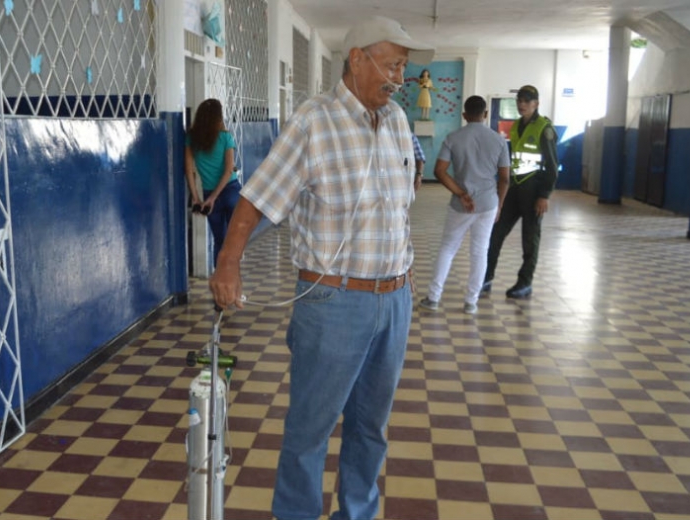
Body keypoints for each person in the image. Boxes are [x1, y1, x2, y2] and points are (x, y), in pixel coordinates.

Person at [208, 15, 433, 520]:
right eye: (393, 65)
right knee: (310, 429)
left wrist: (405, 274)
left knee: (370, 428)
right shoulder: (313, 122)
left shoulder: (396, 122)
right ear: (358, 58)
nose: (399, 78)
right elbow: (257, 200)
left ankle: (358, 512)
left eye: (403, 67)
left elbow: (395, 208)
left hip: (393, 301)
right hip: (333, 303)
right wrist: (229, 263)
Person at [418, 95, 510, 314]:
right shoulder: (498, 140)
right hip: (488, 203)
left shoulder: (453, 137)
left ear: (464, 115)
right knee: (480, 251)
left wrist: (461, 193)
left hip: (461, 204)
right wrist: (499, 205)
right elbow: (505, 178)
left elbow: (439, 171)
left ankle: (433, 297)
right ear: (485, 114)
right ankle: (471, 302)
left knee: (448, 248)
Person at [482, 85, 558, 299]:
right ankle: (485, 279)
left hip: (534, 190)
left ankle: (525, 283)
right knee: (496, 233)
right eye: (519, 100)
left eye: (526, 101)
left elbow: (552, 165)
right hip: (515, 187)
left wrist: (545, 195)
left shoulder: (545, 128)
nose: (522, 104)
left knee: (529, 239)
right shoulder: (515, 126)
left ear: (536, 104)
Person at [185, 98, 241, 267]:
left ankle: (220, 286)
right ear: (219, 117)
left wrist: (197, 198)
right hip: (231, 191)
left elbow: (189, 171)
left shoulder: (191, 139)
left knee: (219, 240)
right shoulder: (226, 137)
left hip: (209, 192)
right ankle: (233, 288)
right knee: (233, 242)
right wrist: (214, 197)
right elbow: (229, 170)